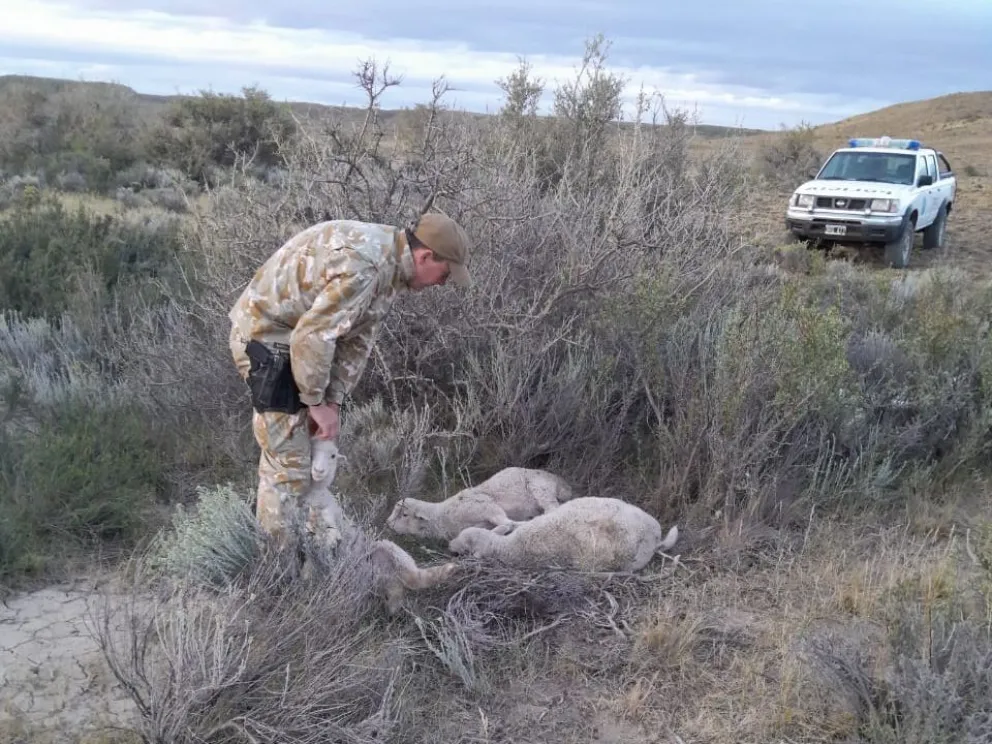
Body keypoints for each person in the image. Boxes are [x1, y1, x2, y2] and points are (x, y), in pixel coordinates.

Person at [228, 212, 472, 553]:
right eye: (445, 274)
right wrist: (314, 401)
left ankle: (308, 556)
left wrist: (333, 401)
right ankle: (276, 574)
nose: (442, 283)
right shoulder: (367, 266)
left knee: (303, 460)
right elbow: (313, 336)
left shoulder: (389, 266)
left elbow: (357, 340)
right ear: (425, 256)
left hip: (293, 340)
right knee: (289, 468)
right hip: (266, 339)